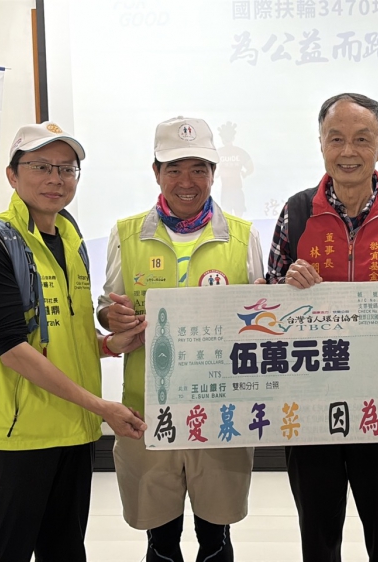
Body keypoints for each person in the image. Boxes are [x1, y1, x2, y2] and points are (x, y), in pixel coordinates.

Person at [266, 92, 378, 562]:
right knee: (317, 528)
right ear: (321, 144)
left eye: (362, 139)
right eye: (336, 138)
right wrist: (286, 282)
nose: (348, 151)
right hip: (309, 398)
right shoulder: (296, 211)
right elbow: (267, 298)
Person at [0, 122, 148, 562]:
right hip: (15, 436)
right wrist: (102, 407)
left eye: (67, 169)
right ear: (12, 175)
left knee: (64, 552)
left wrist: (109, 345)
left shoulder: (70, 238)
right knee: (2, 553)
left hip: (72, 431)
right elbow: (13, 350)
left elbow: (63, 335)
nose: (55, 179)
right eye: (41, 166)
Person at [98, 116, 263, 562]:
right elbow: (106, 307)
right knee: (160, 538)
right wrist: (112, 316)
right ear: (156, 172)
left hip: (222, 410)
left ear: (214, 173)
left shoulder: (243, 236)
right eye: (174, 169)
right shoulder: (126, 233)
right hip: (148, 410)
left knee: (216, 534)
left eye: (198, 169)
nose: (186, 182)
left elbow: (262, 315)